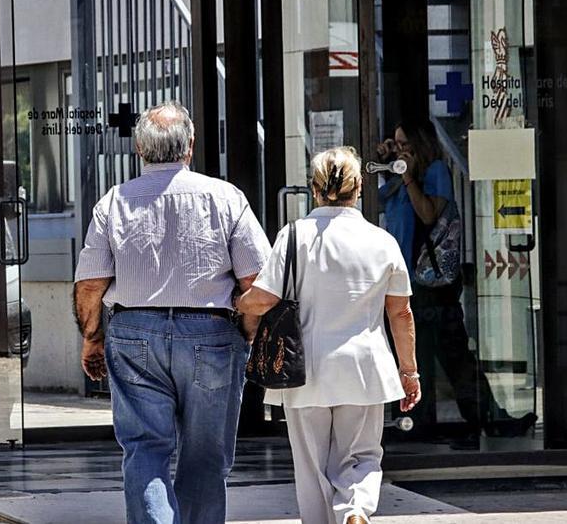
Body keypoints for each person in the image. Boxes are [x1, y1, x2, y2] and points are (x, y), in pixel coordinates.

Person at [72, 101, 270, 524]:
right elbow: (257, 281)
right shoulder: (225, 197)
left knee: (145, 448)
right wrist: (247, 332)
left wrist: (92, 337)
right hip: (212, 333)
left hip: (133, 332)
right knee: (205, 454)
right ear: (190, 147)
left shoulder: (114, 202)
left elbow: (90, 284)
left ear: (139, 149)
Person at [237, 146, 420, 524]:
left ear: (314, 189)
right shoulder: (381, 241)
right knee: (361, 454)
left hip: (304, 370)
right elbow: (400, 312)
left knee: (311, 465)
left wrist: (236, 303)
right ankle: (354, 510)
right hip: (365, 367)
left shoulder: (294, 236)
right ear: (358, 188)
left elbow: (263, 299)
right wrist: (409, 371)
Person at [377, 119, 536, 446]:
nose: (402, 150)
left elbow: (429, 215)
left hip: (430, 282)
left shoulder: (434, 171)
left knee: (450, 352)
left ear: (421, 143)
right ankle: (454, 418)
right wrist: (387, 164)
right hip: (400, 277)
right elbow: (381, 204)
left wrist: (407, 176)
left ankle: (484, 416)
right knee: (427, 352)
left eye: (406, 144)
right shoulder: (399, 176)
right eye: (397, 144)